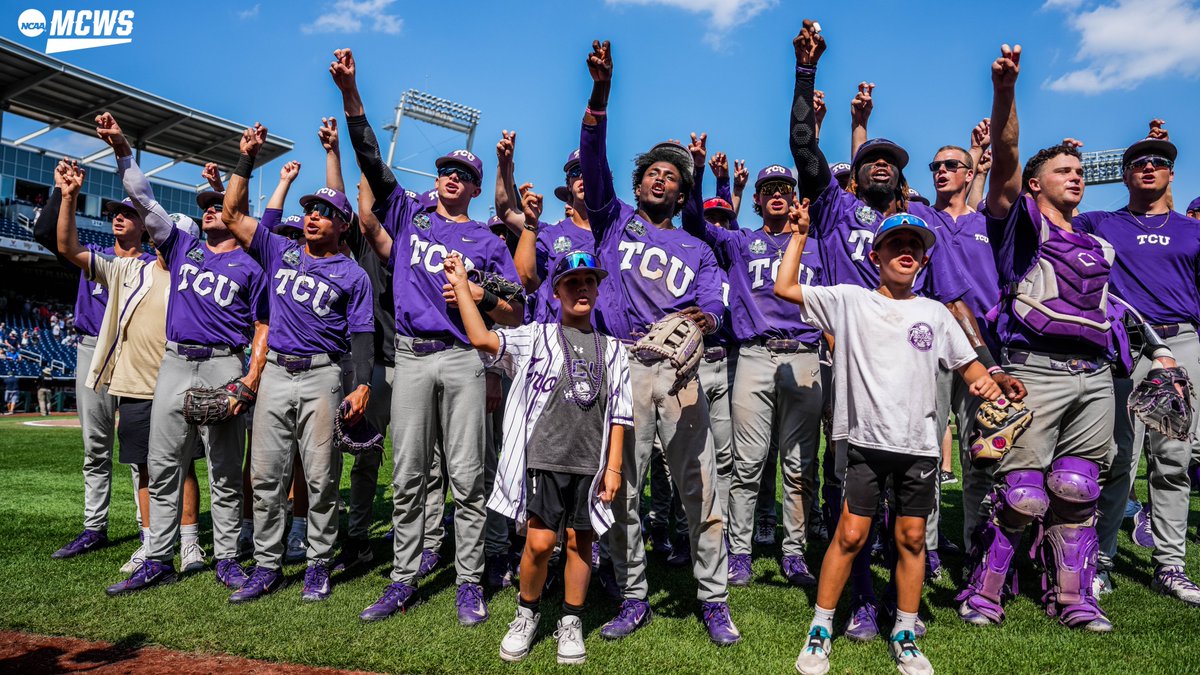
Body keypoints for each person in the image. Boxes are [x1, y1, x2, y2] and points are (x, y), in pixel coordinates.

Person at [788, 19, 1022, 638]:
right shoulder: (840, 208)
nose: (883, 167)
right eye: (872, 161)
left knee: (913, 486)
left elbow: (953, 300)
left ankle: (907, 587)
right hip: (853, 361)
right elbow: (806, 150)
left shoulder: (922, 223)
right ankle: (862, 596)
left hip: (918, 363)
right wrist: (805, 71)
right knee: (853, 489)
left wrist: (984, 363)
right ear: (857, 174)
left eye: (893, 162)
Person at [956, 43, 1180, 632]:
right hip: (1035, 370)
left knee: (1079, 489)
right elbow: (1004, 160)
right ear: (1034, 184)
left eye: (1080, 172)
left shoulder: (1096, 241)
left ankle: (1074, 596)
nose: (1077, 176)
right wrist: (1006, 93)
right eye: (1063, 171)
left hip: (1095, 377)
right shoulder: (1019, 227)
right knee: (1024, 494)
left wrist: (1156, 353)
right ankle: (984, 591)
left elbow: (1116, 303)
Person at [330, 48, 524, 625]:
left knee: (466, 477)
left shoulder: (489, 241)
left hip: (465, 359)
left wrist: (481, 298)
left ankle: (468, 582)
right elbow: (370, 157)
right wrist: (351, 93)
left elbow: (516, 311)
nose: (450, 179)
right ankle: (403, 577)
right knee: (410, 473)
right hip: (412, 357)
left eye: (462, 175)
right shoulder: (410, 213)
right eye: (445, 171)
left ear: (474, 186)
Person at [776, 201, 1001, 675]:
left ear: (923, 260)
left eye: (914, 246)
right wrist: (798, 235)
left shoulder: (936, 313)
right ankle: (820, 630)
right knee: (851, 534)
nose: (905, 251)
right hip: (865, 443)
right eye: (895, 243)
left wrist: (986, 380)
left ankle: (904, 631)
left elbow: (969, 364)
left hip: (918, 446)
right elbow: (786, 287)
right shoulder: (851, 301)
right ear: (876, 255)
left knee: (913, 539)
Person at [580, 39, 739, 645]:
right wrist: (601, 92)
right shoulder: (612, 219)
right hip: (619, 366)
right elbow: (593, 155)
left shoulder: (698, 249)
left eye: (671, 176)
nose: (660, 178)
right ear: (638, 183)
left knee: (701, 488)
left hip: (676, 374)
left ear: (680, 194)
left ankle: (714, 596)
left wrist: (701, 322)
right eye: (652, 171)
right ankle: (633, 593)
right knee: (618, 489)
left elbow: (714, 305)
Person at [92, 112, 270, 594]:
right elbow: (143, 198)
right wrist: (121, 150)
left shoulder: (252, 266)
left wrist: (249, 379)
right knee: (164, 462)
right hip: (174, 362)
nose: (210, 208)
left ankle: (229, 557)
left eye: (218, 205)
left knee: (225, 469)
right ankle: (159, 556)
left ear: (234, 215)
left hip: (222, 362)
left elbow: (262, 325)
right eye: (206, 205)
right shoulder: (182, 245)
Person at [449, 206, 630, 663]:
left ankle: (571, 620)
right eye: (573, 283)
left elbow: (621, 415)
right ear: (557, 292)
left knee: (580, 542)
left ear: (598, 289)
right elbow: (485, 342)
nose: (582, 288)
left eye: (589, 282)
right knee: (540, 542)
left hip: (590, 463)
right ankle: (526, 613)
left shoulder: (614, 350)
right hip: (543, 458)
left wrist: (613, 468)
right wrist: (461, 290)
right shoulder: (536, 336)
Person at [221, 124, 374, 604]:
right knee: (266, 473)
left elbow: (364, 334)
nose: (313, 216)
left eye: (326, 211)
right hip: (275, 374)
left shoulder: (353, 273)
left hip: (324, 373)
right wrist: (246, 159)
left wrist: (363, 384)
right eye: (310, 208)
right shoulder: (279, 249)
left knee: (321, 475)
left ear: (342, 225)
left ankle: (318, 563)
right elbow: (231, 214)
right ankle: (267, 564)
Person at [53, 159, 201, 593]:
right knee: (142, 463)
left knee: (183, 464)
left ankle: (190, 543)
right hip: (136, 382)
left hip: (174, 378)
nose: (161, 239)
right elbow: (68, 249)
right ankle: (153, 541)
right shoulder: (130, 268)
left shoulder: (193, 276)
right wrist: (68, 198)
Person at [681, 161, 826, 589]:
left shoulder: (815, 246)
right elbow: (695, 222)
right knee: (747, 463)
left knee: (800, 467)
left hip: (804, 354)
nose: (777, 193)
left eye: (785, 186)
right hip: (755, 355)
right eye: (769, 188)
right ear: (758, 200)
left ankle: (794, 552)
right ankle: (740, 551)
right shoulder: (741, 241)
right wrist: (701, 172)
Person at [1076, 122, 1200, 606]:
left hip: (1181, 341)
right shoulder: (1101, 222)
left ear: (1172, 174)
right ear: (1124, 176)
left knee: (1173, 459)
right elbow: (1048, 219)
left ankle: (1169, 566)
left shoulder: (1192, 230)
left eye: (1158, 162)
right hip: (1123, 345)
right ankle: (1101, 559)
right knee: (1117, 460)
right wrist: (1067, 162)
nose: (1149, 167)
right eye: (1138, 164)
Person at [35, 160, 153, 560]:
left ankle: (148, 530)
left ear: (145, 224)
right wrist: (67, 196)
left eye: (127, 213)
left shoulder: (155, 265)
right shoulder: (96, 256)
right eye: (115, 214)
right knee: (95, 447)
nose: (118, 218)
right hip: (92, 349)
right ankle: (94, 527)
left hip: (137, 352)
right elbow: (59, 241)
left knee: (140, 449)